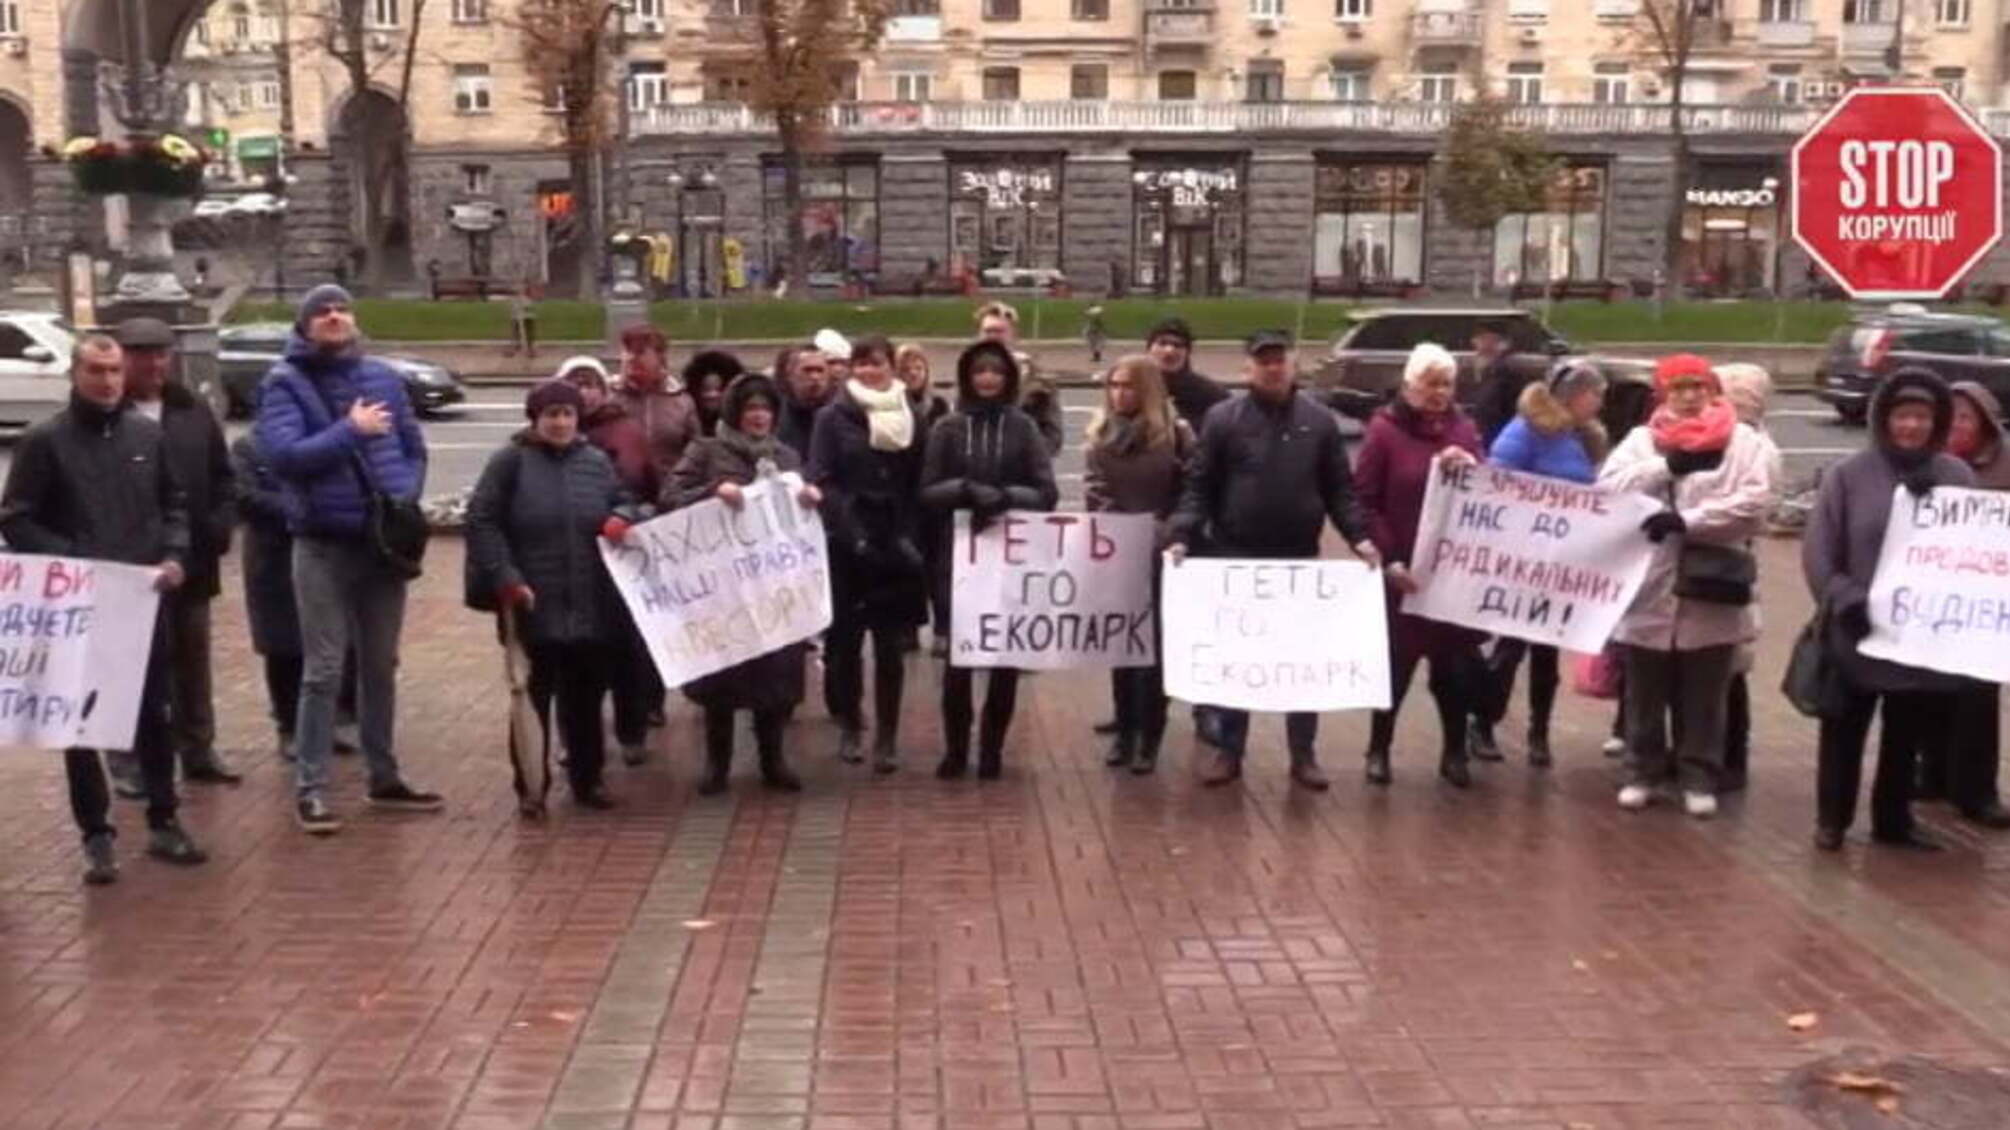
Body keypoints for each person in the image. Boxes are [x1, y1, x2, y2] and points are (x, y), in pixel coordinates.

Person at [0, 334, 207, 883]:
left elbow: (174, 504)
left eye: (114, 370)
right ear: (74, 374)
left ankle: (164, 818)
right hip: (77, 601)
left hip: (139, 598)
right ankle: (96, 832)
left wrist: (174, 554)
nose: (109, 381)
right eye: (96, 370)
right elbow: (17, 518)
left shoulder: (147, 434)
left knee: (154, 711)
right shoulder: (45, 441)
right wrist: (76, 560)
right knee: (79, 720)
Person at [256, 284, 443, 835]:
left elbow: (412, 446)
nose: (334, 317)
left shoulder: (381, 377)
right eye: (322, 311)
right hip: (322, 544)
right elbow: (284, 458)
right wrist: (349, 431)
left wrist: (403, 496)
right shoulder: (285, 383)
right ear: (305, 324)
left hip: (382, 546)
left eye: (342, 309)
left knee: (381, 664)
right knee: (324, 670)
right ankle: (311, 789)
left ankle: (384, 776)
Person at [1167, 330, 1382, 790]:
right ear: (1248, 368)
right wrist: (1183, 533)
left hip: (1298, 561)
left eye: (1279, 359)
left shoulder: (1318, 421)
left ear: (1292, 364)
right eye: (1263, 360)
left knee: (1301, 662)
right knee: (1238, 661)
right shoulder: (1223, 419)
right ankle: (1230, 751)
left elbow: (1339, 489)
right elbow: (1200, 485)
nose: (1272, 368)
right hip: (1237, 557)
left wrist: (1359, 538)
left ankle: (1303, 754)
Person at [1598, 354, 1776, 820]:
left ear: (1713, 390)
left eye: (1699, 386)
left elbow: (1753, 503)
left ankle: (1699, 774)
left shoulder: (1743, 443)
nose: (1690, 396)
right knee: (1644, 690)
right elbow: (1609, 490)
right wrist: (1664, 467)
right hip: (1650, 585)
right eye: (1679, 388)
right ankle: (1642, 771)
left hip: (1711, 583)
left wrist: (1689, 521)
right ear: (1664, 394)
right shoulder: (1642, 441)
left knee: (1705, 692)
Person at [1805, 369, 1975, 851]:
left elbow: (1972, 552)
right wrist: (1842, 597)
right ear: (1884, 419)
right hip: (1857, 625)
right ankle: (1832, 819)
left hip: (1917, 632)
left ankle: (1893, 820)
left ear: (1937, 422)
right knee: (1844, 728)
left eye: (1922, 416)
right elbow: (1819, 551)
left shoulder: (1956, 476)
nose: (1912, 426)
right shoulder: (1847, 475)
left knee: (1906, 732)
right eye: (1903, 415)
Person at [465, 380, 634, 815]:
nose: (560, 423)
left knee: (586, 697)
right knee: (532, 697)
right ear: (535, 419)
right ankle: (531, 787)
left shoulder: (595, 462)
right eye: (551, 414)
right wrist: (505, 576)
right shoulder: (510, 462)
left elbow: (625, 500)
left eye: (568, 414)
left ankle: (588, 779)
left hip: (589, 599)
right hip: (530, 600)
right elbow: (482, 520)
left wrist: (621, 516)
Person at [668, 374, 825, 794]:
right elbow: (672, 495)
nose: (759, 416)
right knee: (722, 678)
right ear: (735, 413)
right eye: (751, 408)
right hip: (724, 589)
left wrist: (809, 500)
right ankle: (717, 764)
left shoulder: (785, 456)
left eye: (766, 409)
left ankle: (773, 761)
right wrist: (713, 491)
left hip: (772, 585)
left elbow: (799, 521)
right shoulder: (706, 450)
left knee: (773, 680)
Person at [920, 342, 1059, 780]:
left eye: (996, 371)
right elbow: (927, 490)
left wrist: (1006, 497)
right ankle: (956, 749)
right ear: (967, 376)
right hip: (959, 557)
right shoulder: (948, 427)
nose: (987, 379)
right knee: (958, 660)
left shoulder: (1023, 428)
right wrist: (964, 490)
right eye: (979, 371)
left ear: (1007, 378)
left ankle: (993, 749)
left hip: (1010, 555)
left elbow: (1046, 491)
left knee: (1004, 660)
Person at [115, 317, 242, 789]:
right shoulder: (107, 414)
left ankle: (198, 748)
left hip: (192, 559)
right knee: (129, 664)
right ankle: (129, 760)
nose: (153, 363)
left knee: (192, 658)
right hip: (128, 564)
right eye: (141, 354)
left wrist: (220, 525)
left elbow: (223, 475)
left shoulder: (191, 410)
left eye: (160, 354)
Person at [1355, 344, 1486, 787]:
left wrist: (1470, 466)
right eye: (1431, 383)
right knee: (1396, 668)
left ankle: (1454, 752)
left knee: (1455, 672)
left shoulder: (1464, 429)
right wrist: (1389, 557)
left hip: (1451, 575)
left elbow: (1489, 493)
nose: (1439, 393)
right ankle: (1378, 748)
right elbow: (1366, 499)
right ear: (1410, 385)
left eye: (1447, 384)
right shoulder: (1384, 431)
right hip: (1403, 571)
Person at [1472, 359, 1609, 768]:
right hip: (1526, 559)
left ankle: (1539, 732)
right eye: (1594, 393)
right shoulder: (1525, 431)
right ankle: (1484, 722)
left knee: (1546, 654)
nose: (1599, 402)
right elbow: (1498, 482)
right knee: (1511, 648)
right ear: (1574, 395)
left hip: (1560, 561)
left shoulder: (1583, 436)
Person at [807, 334, 930, 772]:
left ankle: (887, 737)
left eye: (876, 363)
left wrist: (909, 535)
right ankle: (851, 726)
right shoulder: (832, 417)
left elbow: (920, 482)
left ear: (891, 368)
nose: (867, 371)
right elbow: (822, 477)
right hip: (848, 541)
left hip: (895, 541)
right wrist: (851, 530)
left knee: (890, 647)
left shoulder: (912, 415)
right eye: (860, 363)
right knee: (846, 644)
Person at [1085, 354, 1194, 775]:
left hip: (1165, 551)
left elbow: (1192, 488)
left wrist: (1170, 529)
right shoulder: (1100, 436)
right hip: (1120, 549)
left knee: (1156, 653)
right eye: (1113, 385)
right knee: (1123, 646)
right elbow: (1096, 492)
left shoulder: (1175, 435)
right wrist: (1123, 529)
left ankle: (1150, 736)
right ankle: (1124, 731)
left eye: (1128, 385)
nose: (1119, 393)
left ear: (1146, 389)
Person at [231, 420, 360, 764]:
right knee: (283, 646)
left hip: (325, 553)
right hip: (273, 559)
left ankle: (335, 718)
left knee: (333, 639)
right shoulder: (248, 447)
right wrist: (300, 508)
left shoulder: (321, 439)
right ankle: (289, 726)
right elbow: (244, 497)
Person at [559, 354, 658, 765]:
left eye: (590, 383)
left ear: (604, 389)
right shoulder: (547, 436)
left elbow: (647, 488)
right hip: (566, 564)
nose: (584, 393)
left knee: (625, 652)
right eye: (575, 383)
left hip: (619, 558)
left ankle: (631, 731)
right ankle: (575, 739)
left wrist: (629, 515)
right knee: (572, 658)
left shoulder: (627, 431)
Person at [1919, 381, 2010, 827]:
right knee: (1929, 690)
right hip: (1934, 597)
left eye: (1965, 417)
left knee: (1977, 697)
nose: (1955, 425)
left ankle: (1976, 790)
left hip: (1986, 604)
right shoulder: (1926, 464)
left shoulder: (2005, 463)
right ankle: (1933, 774)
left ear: (1985, 422)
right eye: (1948, 416)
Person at [1710, 363, 1784, 793]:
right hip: (1732, 561)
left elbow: (1754, 508)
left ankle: (1729, 756)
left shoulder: (1754, 447)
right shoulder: (1746, 441)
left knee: (1729, 665)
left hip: (1731, 561)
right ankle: (1719, 753)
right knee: (1724, 663)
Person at [899, 343, 954, 655]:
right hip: (905, 495)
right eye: (906, 369)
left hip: (937, 495)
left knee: (940, 567)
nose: (913, 374)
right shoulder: (891, 406)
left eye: (918, 368)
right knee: (908, 565)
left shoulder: (939, 406)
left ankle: (943, 628)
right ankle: (908, 627)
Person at [614, 324, 699, 506]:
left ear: (660, 357)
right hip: (620, 500)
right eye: (627, 352)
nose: (630, 358)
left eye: (639, 352)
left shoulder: (682, 401)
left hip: (670, 500)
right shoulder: (609, 397)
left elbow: (696, 452)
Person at [976, 301, 1064, 456]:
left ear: (1013, 334)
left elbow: (1053, 436)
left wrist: (1029, 457)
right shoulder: (967, 378)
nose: (993, 337)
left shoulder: (1039, 383)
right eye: (988, 331)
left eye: (999, 331)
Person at [1147, 317, 1230, 435]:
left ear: (1187, 353)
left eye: (1178, 345)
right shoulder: (1134, 387)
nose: (1169, 351)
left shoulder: (1211, 395)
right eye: (1162, 343)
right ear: (1149, 349)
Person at [1470, 318, 1527, 448]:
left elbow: (1492, 410)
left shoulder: (1506, 372)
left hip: (1499, 440)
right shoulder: (1492, 371)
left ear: (1501, 343)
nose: (1475, 344)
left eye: (1482, 339)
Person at [778, 346, 833, 458]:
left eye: (820, 370)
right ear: (790, 375)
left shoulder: (840, 416)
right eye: (807, 370)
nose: (815, 377)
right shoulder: (776, 416)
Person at [682, 349, 744, 438]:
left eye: (719, 389)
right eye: (706, 389)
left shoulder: (741, 423)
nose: (712, 395)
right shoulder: (685, 421)